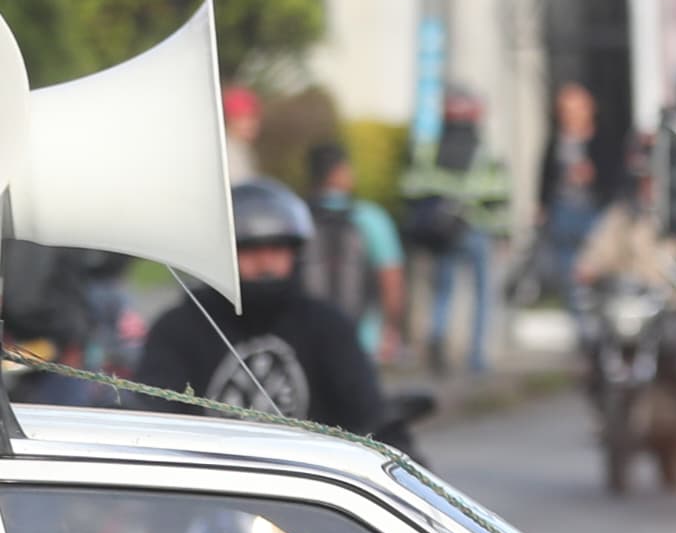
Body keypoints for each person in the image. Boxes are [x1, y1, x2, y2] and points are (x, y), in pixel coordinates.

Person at [136, 179, 394, 438]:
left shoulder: (327, 327)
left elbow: (371, 419)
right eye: (249, 250)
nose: (265, 263)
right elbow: (150, 420)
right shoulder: (180, 329)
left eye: (277, 249)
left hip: (306, 476)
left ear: (296, 253)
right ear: (222, 254)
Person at [400, 89, 511, 376]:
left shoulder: (429, 150)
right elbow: (499, 195)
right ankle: (477, 358)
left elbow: (410, 189)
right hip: (477, 229)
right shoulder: (485, 153)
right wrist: (504, 233)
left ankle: (438, 336)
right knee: (482, 294)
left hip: (443, 232)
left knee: (443, 291)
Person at [304, 142, 405, 365]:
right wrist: (391, 330)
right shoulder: (371, 218)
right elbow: (391, 280)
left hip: (306, 341)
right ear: (342, 172)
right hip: (363, 341)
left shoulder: (296, 218)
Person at [534, 81, 603, 308]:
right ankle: (579, 318)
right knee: (567, 268)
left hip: (593, 209)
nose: (570, 115)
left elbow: (613, 174)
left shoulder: (601, 139)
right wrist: (541, 205)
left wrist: (593, 174)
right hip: (563, 210)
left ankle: (596, 313)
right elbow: (545, 174)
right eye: (565, 110)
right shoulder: (557, 141)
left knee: (594, 264)